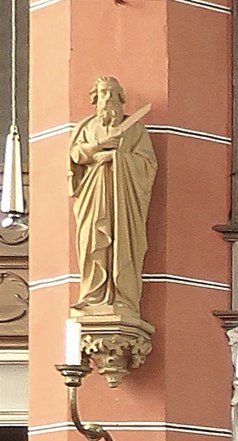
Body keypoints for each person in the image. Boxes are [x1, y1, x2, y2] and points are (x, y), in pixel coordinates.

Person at [66, 77, 157, 320]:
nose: (108, 98)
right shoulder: (86, 127)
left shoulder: (135, 129)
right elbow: (75, 155)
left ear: (121, 98)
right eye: (103, 92)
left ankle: (123, 298)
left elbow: (148, 164)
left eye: (113, 93)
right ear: (95, 98)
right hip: (92, 196)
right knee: (91, 242)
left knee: (122, 245)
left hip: (122, 201)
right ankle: (93, 296)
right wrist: (98, 148)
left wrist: (117, 159)